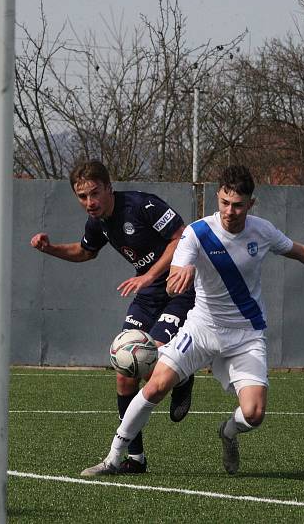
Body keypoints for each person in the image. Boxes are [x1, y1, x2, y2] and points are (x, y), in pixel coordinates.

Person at [80, 164, 304, 476]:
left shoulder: (262, 230)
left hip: (246, 334)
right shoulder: (198, 232)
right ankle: (113, 458)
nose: (230, 211)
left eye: (238, 205)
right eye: (224, 202)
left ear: (250, 204)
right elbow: (177, 268)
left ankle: (228, 433)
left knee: (254, 413)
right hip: (202, 329)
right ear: (218, 197)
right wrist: (184, 270)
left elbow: (301, 252)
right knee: (154, 387)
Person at [30, 160, 196, 474]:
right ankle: (135, 458)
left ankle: (183, 377)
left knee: (155, 354)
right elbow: (84, 251)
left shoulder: (142, 205)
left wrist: (149, 276)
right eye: (82, 196)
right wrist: (49, 249)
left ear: (109, 187)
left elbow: (182, 238)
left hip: (180, 288)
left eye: (95, 193)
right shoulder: (97, 222)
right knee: (124, 369)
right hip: (147, 295)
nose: (89, 202)